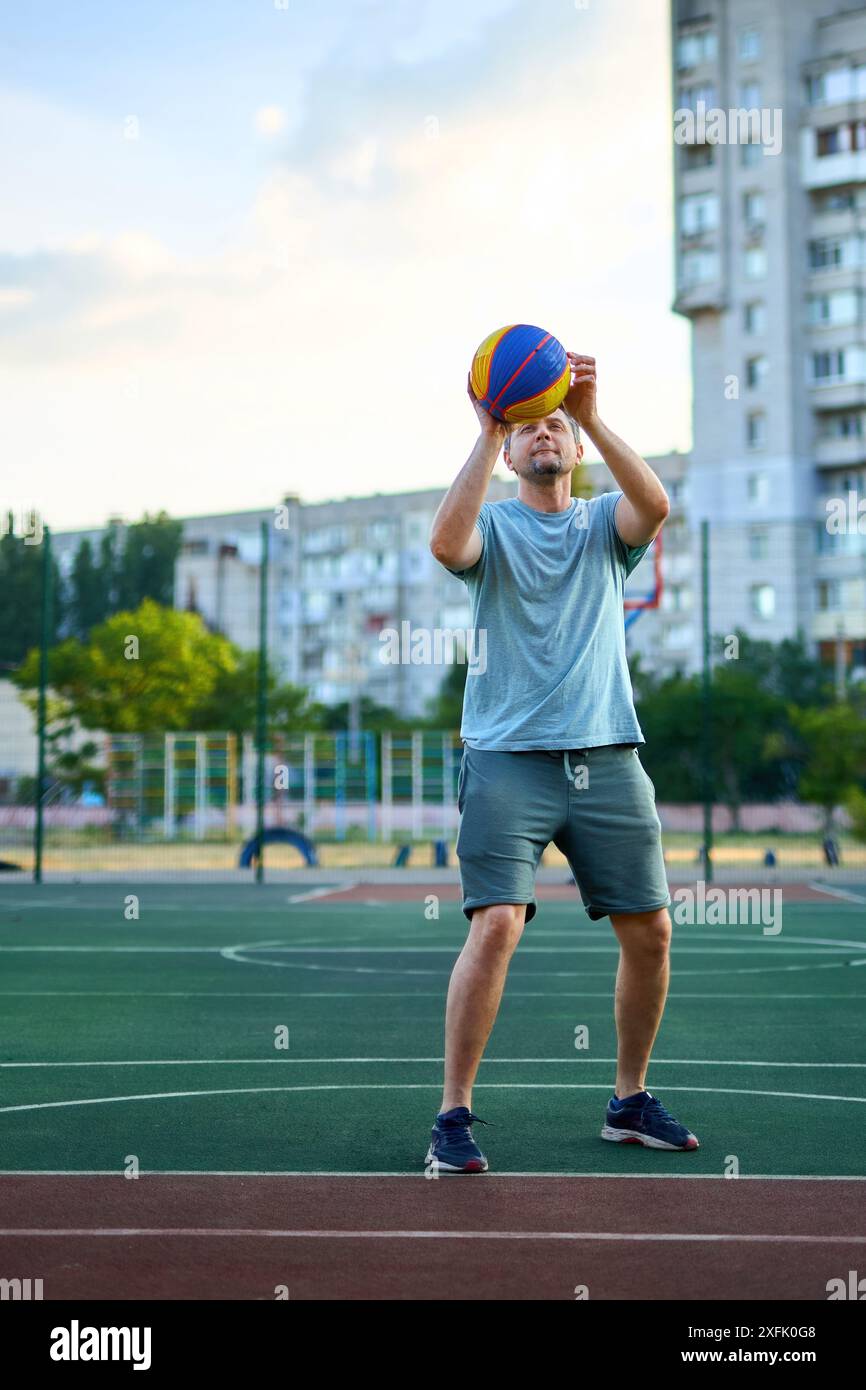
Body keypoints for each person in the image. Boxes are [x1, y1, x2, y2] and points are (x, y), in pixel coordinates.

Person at [425, 350, 699, 1172]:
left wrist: (590, 413)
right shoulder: (496, 527)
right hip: (509, 758)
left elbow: (657, 503)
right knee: (498, 923)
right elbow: (446, 543)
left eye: (557, 429)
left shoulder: (605, 526)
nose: (544, 437)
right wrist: (488, 427)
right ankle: (453, 1116)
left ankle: (628, 1101)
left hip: (608, 754)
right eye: (527, 430)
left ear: (574, 449)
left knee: (650, 931)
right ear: (510, 453)